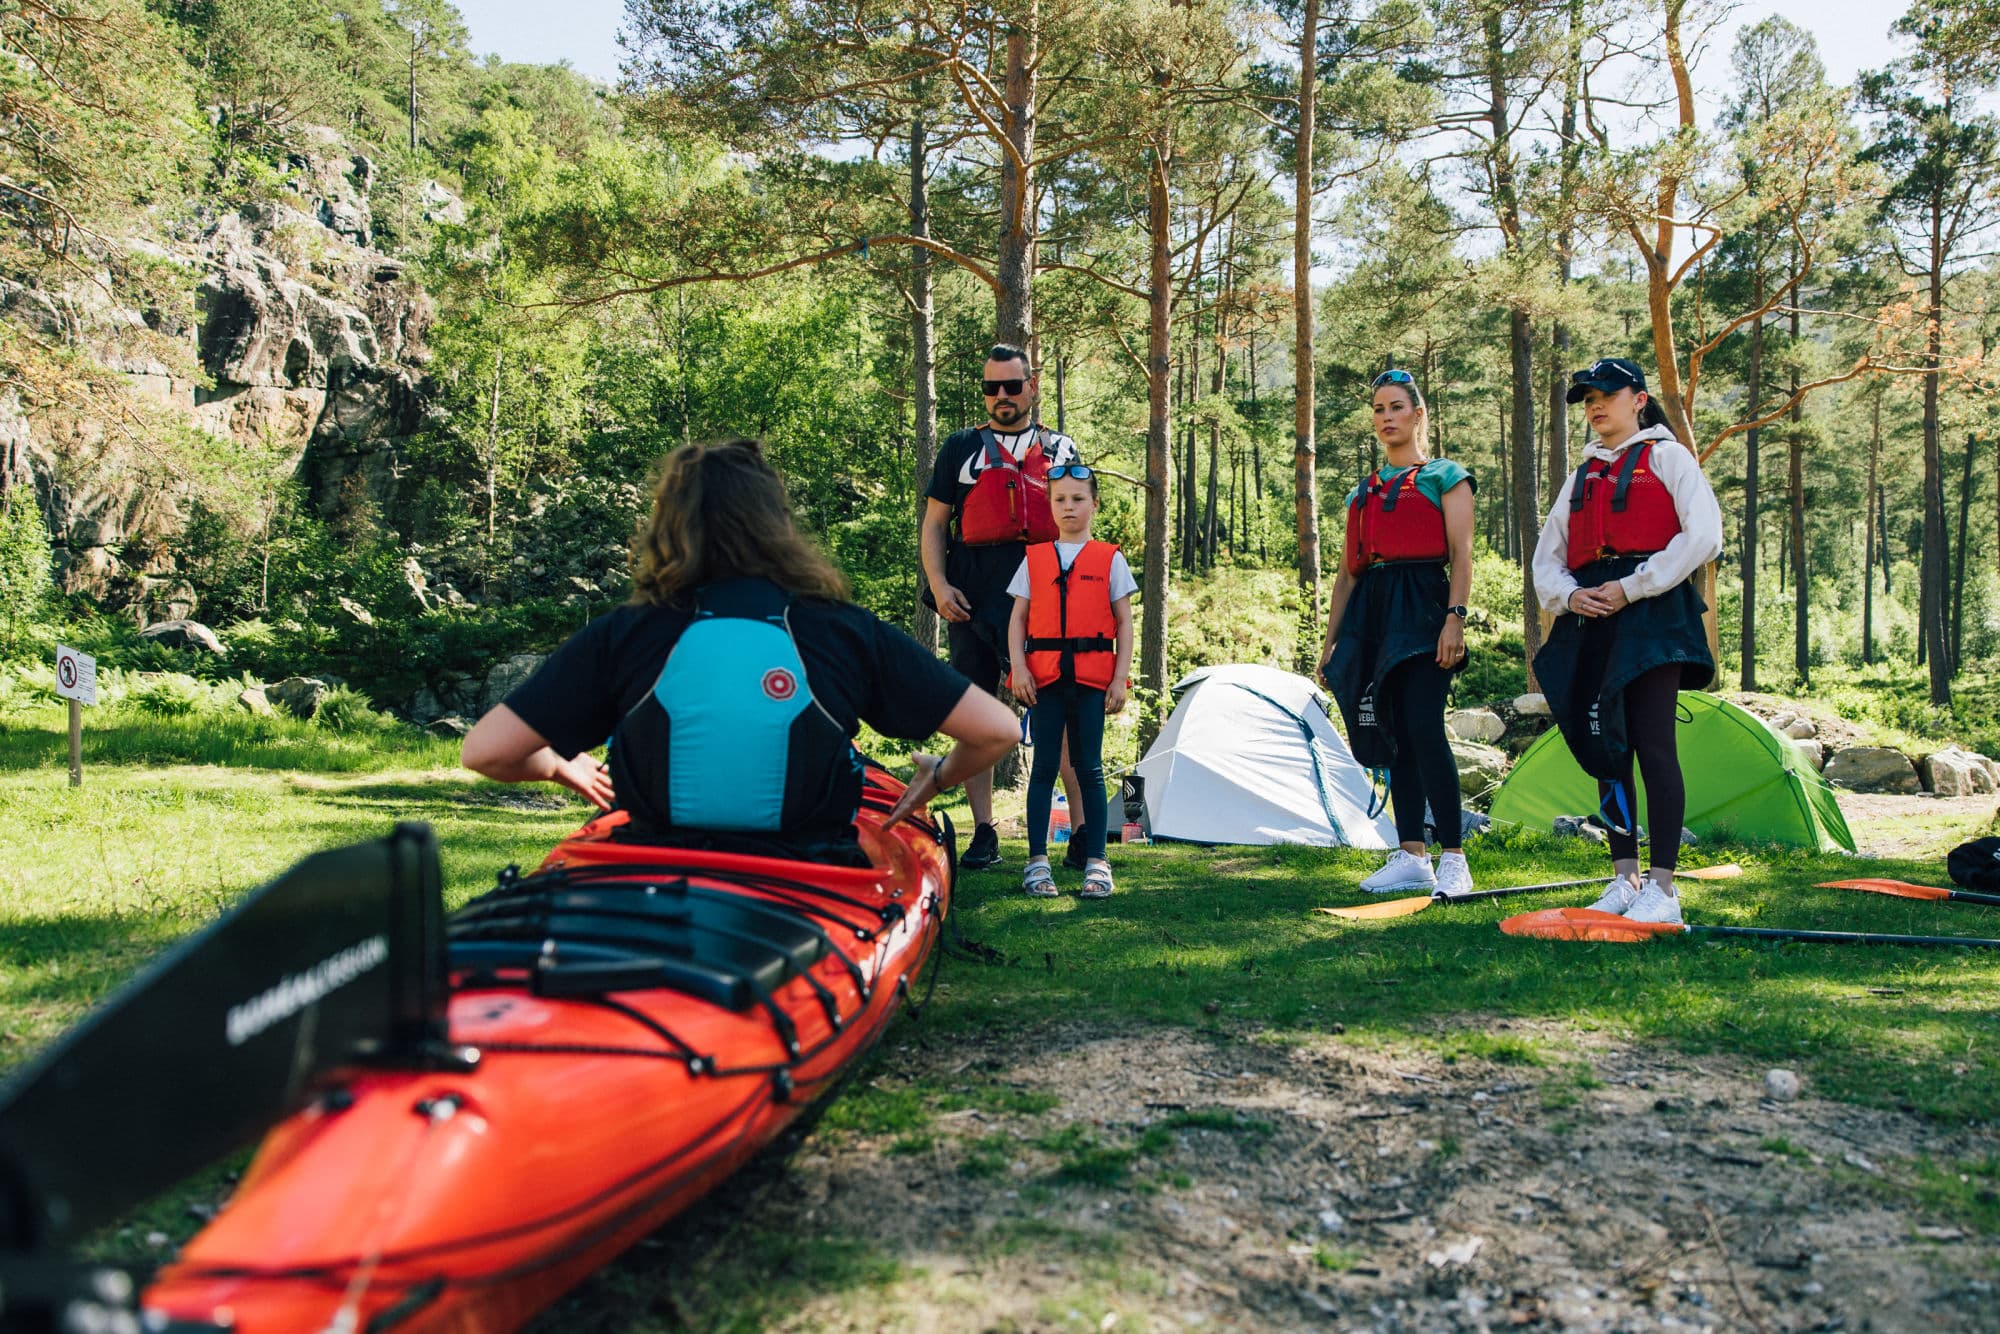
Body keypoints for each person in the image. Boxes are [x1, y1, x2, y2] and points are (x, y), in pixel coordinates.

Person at [462, 437, 1019, 860]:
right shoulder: (842, 628)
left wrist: (564, 766)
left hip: (657, 864)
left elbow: (486, 752)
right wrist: (938, 775)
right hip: (810, 872)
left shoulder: (627, 631)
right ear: (778, 525)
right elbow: (998, 729)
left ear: (668, 526)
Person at [1531, 358, 1723, 925]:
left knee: (1652, 744)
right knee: (1607, 749)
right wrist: (1569, 597)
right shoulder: (1582, 476)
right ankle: (1624, 878)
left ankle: (1662, 889)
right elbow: (1549, 558)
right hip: (1594, 616)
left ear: (1638, 399)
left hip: (1653, 614)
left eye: (1606, 394)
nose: (1594, 405)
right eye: (1587, 397)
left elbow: (1704, 535)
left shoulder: (1667, 458)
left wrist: (1634, 587)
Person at [922, 343, 1086, 870]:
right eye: (991, 387)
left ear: (1031, 386)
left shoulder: (1061, 450)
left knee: (1057, 710)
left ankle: (1083, 834)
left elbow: (1078, 524)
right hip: (972, 587)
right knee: (977, 715)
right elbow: (934, 525)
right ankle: (984, 832)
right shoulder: (960, 448)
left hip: (1042, 587)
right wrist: (939, 585)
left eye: (1011, 386)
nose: (1001, 397)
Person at [1319, 369, 1478, 898]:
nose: (1387, 418)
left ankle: (1454, 855)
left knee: (1424, 727)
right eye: (1379, 411)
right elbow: (1347, 574)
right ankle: (1412, 854)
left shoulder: (1445, 476)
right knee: (1393, 735)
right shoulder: (1361, 492)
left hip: (1425, 607)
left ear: (1417, 413)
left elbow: (1461, 554)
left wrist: (1455, 617)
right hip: (1374, 612)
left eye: (1396, 408)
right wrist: (1331, 641)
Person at [1006, 466, 1135, 898]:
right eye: (1060, 499)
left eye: (1078, 499)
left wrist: (1120, 678)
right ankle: (1037, 863)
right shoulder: (1034, 559)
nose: (1069, 507)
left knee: (1090, 769)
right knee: (1043, 769)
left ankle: (1098, 863)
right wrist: (1018, 668)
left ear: (1094, 504)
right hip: (1042, 680)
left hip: (1091, 681)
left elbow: (1125, 623)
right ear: (1051, 505)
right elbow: (1018, 620)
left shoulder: (1110, 558)